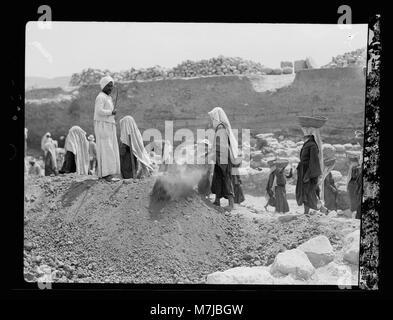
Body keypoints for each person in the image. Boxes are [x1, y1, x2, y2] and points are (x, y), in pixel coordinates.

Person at [208, 107, 242, 210]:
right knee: (218, 178)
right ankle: (217, 200)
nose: (212, 120)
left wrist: (212, 154)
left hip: (223, 157)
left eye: (213, 117)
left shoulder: (221, 128)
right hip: (220, 156)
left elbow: (221, 145)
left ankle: (231, 203)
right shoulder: (221, 127)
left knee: (226, 178)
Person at [94, 75, 121, 182]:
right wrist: (111, 112)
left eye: (112, 86)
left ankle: (110, 173)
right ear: (104, 86)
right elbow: (99, 111)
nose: (110, 88)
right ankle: (106, 174)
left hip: (109, 125)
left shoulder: (108, 98)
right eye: (109, 86)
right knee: (106, 149)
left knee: (111, 149)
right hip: (103, 126)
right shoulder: (100, 97)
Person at [295, 126, 323, 215]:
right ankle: (306, 212)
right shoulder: (307, 144)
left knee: (310, 192)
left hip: (309, 172)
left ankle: (322, 210)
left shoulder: (312, 145)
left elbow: (314, 162)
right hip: (304, 171)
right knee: (305, 192)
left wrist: (308, 175)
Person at [346, 151, 362, 219]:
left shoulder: (354, 166)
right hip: (354, 185)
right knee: (355, 201)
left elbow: (352, 177)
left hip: (352, 185)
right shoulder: (355, 166)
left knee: (353, 201)